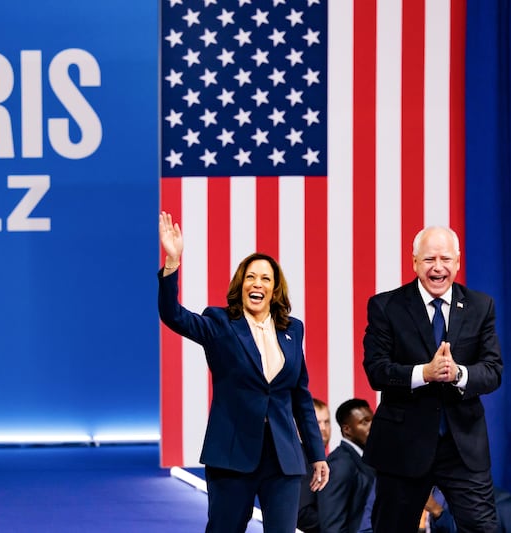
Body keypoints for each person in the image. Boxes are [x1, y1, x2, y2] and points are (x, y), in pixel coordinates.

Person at [158, 211, 329, 533]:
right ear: (241, 283)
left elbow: (300, 397)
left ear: (275, 289)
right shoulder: (220, 323)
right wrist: (172, 262)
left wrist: (316, 454)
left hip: (283, 456)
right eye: (251, 277)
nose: (257, 284)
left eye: (265, 278)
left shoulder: (293, 330)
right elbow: (174, 316)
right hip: (233, 455)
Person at [362, 226, 503, 533]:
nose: (437, 267)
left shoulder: (481, 306)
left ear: (458, 262)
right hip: (403, 445)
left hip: (462, 446)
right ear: (414, 262)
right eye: (429, 259)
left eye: (445, 259)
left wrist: (459, 374)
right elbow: (376, 370)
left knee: (484, 528)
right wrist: (422, 373)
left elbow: (492, 371)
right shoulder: (386, 306)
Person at [317, 398, 375, 532]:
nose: (372, 425)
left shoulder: (364, 459)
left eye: (372, 420)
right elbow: (332, 526)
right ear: (347, 429)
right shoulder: (339, 464)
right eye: (364, 422)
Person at [297, 398, 332, 532]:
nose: (323, 428)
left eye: (327, 422)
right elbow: (302, 512)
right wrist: (332, 525)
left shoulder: (319, 459)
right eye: (317, 423)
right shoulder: (305, 460)